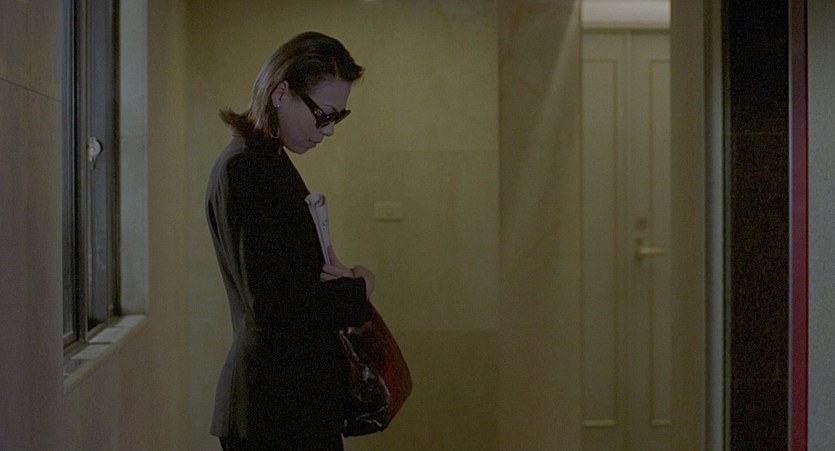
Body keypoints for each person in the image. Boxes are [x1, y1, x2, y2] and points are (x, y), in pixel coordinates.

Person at [205, 31, 376, 450]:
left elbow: (285, 281)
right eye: (323, 115)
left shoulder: (266, 160)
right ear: (280, 93)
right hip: (274, 410)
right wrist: (358, 290)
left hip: (288, 404)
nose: (328, 131)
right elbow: (271, 303)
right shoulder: (246, 168)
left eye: (337, 117)